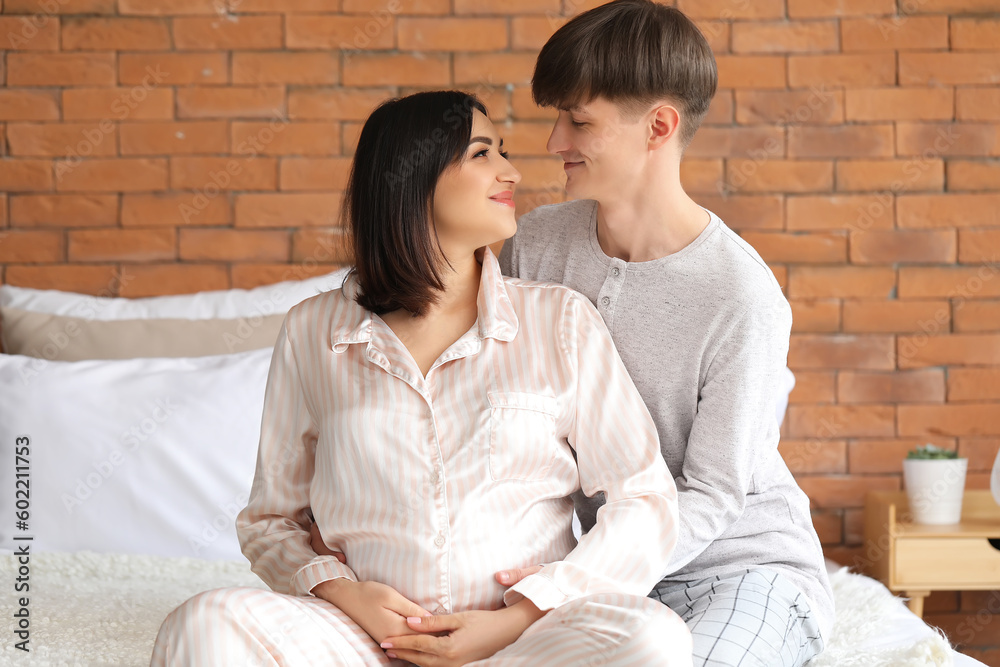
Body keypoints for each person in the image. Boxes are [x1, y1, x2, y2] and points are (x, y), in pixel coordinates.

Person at [149, 90, 692, 667]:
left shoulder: (559, 321)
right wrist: (344, 592)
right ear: (411, 179)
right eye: (482, 154)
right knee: (205, 623)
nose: (511, 170)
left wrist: (522, 614)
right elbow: (271, 521)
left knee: (649, 638)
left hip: (519, 643)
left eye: (501, 152)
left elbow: (646, 501)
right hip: (361, 639)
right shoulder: (314, 331)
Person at [492, 2, 835, 666]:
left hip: (737, 570)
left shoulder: (740, 295)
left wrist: (576, 580)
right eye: (557, 117)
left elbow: (713, 491)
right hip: (596, 577)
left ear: (659, 126)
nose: (554, 142)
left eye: (578, 120)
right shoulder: (535, 247)